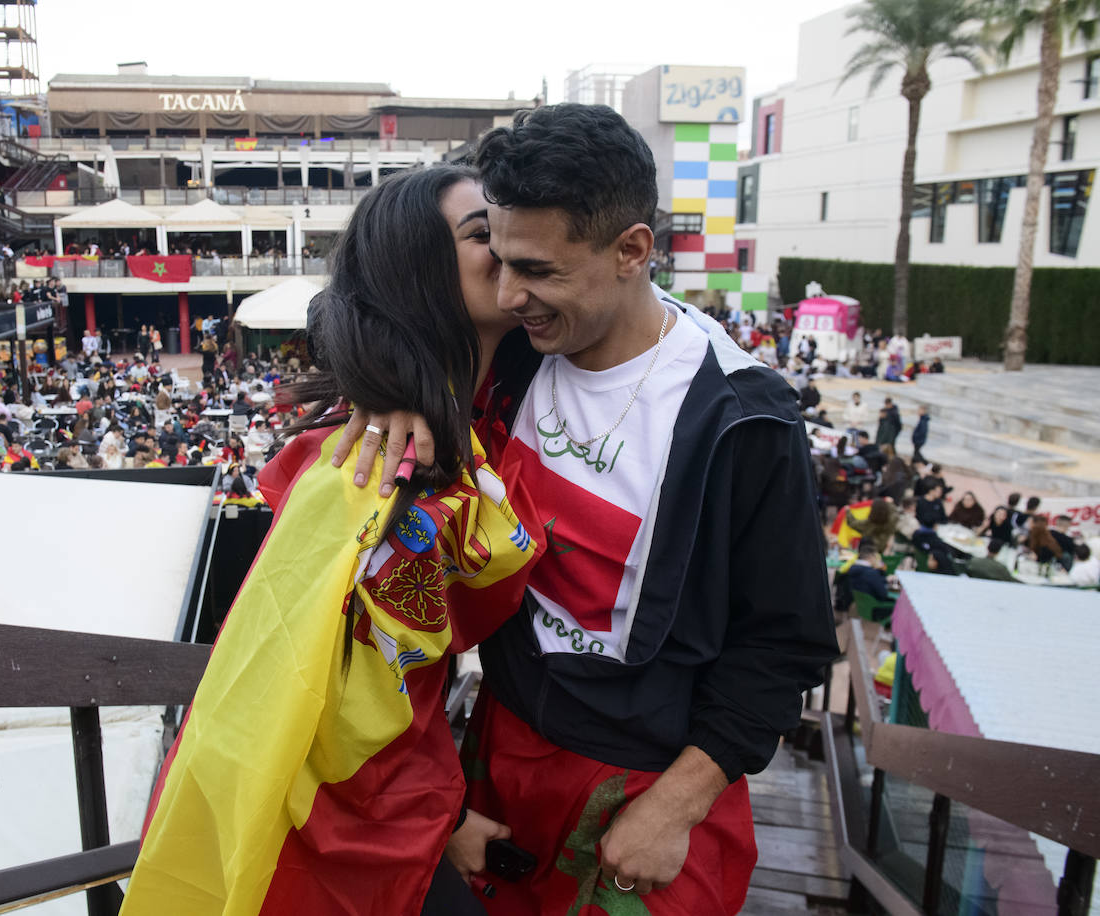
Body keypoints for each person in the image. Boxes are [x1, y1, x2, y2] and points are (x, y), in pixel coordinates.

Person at [336, 104, 837, 914]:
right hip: (503, 752)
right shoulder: (513, 362)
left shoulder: (741, 417)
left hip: (652, 783)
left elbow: (785, 643)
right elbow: (370, 294)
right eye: (497, 260)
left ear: (632, 250)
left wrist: (676, 805)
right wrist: (388, 389)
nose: (508, 294)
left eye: (535, 270)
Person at [124, 165, 543, 916]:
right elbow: (326, 700)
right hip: (339, 837)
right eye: (484, 233)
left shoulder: (482, 421)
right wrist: (437, 813)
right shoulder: (364, 465)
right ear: (416, 273)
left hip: (403, 809)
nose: (509, 246)